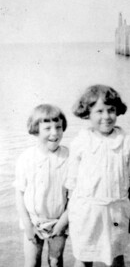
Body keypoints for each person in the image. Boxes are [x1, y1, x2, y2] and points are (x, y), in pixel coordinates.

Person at [66, 84, 130, 267]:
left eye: (111, 110)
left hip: (116, 209)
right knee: (84, 256)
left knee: (116, 256)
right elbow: (71, 183)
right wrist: (68, 217)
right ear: (87, 113)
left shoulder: (125, 141)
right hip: (86, 210)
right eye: (99, 111)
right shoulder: (81, 142)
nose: (106, 117)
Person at [14, 104, 69, 267]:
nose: (54, 133)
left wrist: (62, 223)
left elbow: (75, 196)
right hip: (33, 221)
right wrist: (27, 224)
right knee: (31, 263)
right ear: (36, 130)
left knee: (56, 261)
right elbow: (19, 194)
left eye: (58, 127)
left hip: (59, 221)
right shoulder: (26, 158)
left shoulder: (69, 157)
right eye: (47, 128)